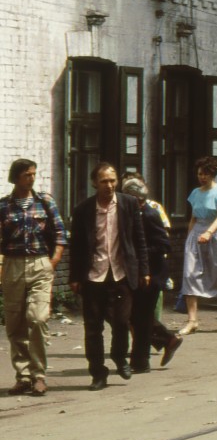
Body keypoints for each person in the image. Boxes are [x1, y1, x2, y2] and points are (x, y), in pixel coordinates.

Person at [69, 162, 149, 390]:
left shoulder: (129, 204)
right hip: (94, 275)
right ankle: (98, 373)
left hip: (121, 273)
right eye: (104, 181)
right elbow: (76, 246)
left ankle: (119, 356)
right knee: (93, 327)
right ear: (95, 183)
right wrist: (75, 276)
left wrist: (144, 270)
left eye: (113, 180)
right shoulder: (83, 209)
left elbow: (139, 239)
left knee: (122, 322)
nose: (109, 185)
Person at [2, 158, 67, 396]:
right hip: (12, 264)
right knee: (15, 323)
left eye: (33, 174)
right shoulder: (4, 206)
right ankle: (23, 377)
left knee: (37, 318)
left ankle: (39, 375)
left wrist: (53, 261)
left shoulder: (44, 202)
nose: (31, 178)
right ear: (16, 177)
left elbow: (60, 232)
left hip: (40, 263)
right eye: (27, 175)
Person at [123, 175, 182, 372]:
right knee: (135, 316)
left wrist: (141, 253)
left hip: (153, 273)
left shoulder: (149, 215)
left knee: (141, 318)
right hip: (137, 273)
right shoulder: (131, 215)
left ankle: (140, 363)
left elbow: (164, 245)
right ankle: (168, 339)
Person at [180, 156, 217, 333]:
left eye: (206, 174)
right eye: (200, 174)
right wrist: (189, 239)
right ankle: (192, 320)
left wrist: (209, 232)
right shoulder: (195, 193)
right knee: (190, 275)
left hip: (216, 235)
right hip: (196, 236)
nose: (202, 177)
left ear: (212, 174)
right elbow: (193, 218)